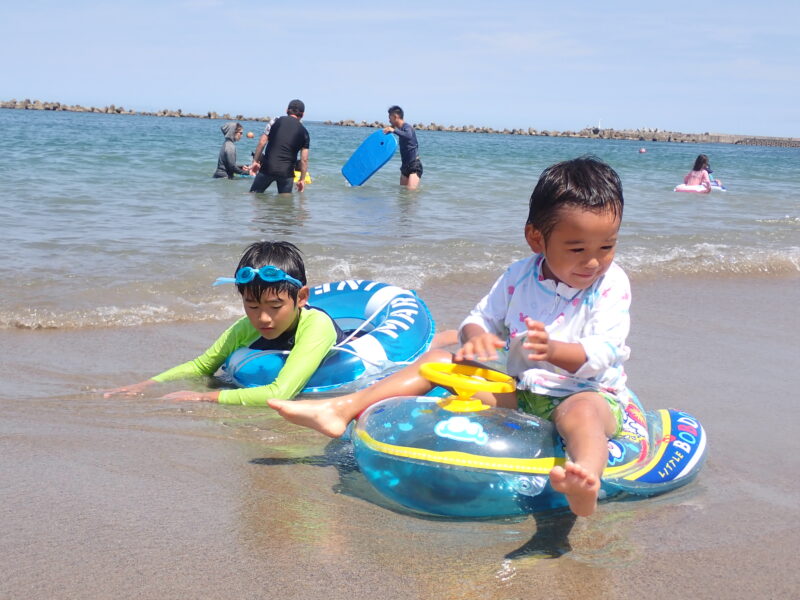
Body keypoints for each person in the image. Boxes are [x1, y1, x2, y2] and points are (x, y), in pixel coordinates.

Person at [269, 157, 632, 518]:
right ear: (537, 238)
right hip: (522, 392)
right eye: (577, 249)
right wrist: (475, 339)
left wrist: (554, 350)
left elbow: (605, 352)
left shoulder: (610, 284)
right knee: (438, 362)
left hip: (587, 393)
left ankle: (584, 477)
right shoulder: (519, 276)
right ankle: (341, 408)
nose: (593, 262)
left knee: (581, 412)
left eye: (606, 247)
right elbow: (480, 319)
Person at [104, 241, 344, 405]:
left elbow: (281, 392)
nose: (262, 318)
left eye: (275, 306)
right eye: (252, 306)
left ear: (301, 298)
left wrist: (204, 397)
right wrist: (145, 384)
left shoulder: (316, 326)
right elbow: (200, 366)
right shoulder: (246, 327)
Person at [249, 100, 309, 194]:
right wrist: (302, 180)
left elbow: (262, 142)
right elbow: (304, 160)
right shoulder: (304, 132)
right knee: (285, 205)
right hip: (287, 173)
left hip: (267, 168)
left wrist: (255, 161)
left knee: (253, 195)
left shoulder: (275, 121)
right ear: (303, 114)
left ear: (287, 110)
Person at [382, 105, 422, 189]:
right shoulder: (400, 129)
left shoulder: (407, 127)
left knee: (411, 195)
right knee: (403, 195)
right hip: (404, 166)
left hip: (414, 165)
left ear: (395, 117)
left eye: (390, 117)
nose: (389, 120)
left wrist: (393, 130)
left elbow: (408, 135)